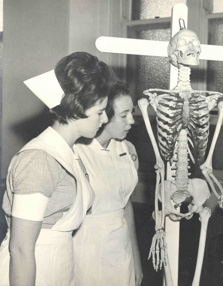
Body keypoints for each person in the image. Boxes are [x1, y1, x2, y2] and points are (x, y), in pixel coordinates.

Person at [0, 51, 115, 286]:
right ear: (78, 109)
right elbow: (21, 249)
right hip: (29, 273)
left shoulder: (69, 152)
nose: (104, 120)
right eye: (100, 112)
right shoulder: (39, 159)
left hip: (58, 268)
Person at [73, 81, 143, 285]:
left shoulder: (127, 149)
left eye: (132, 112)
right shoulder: (78, 151)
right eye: (123, 115)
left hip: (121, 247)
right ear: (104, 115)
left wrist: (136, 258)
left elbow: (125, 204)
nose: (131, 121)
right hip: (87, 247)